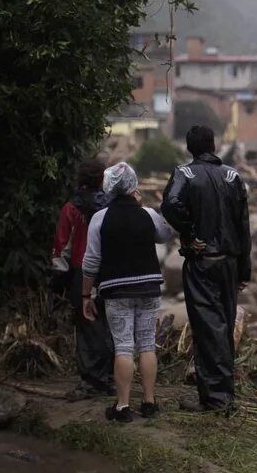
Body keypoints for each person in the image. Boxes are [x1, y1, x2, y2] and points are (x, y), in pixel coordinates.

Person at [161, 125, 251, 412]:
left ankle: (216, 398)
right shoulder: (233, 176)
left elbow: (171, 204)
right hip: (230, 262)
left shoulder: (184, 174)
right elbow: (243, 227)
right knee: (223, 325)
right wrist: (244, 271)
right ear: (213, 146)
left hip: (202, 262)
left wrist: (189, 233)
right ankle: (224, 394)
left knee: (207, 327)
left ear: (190, 148)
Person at [82, 162, 174, 422]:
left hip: (116, 290)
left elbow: (90, 263)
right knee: (146, 345)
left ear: (108, 188)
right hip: (148, 288)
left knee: (123, 347)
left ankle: (123, 407)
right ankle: (149, 402)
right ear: (134, 186)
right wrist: (143, 205)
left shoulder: (100, 218)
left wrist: (85, 296)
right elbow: (165, 235)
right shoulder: (148, 215)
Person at [51, 159, 115, 399]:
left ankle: (91, 381)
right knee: (110, 325)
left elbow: (62, 247)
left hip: (81, 273)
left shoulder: (72, 208)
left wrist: (58, 282)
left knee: (87, 328)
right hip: (110, 273)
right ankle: (109, 378)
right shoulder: (113, 206)